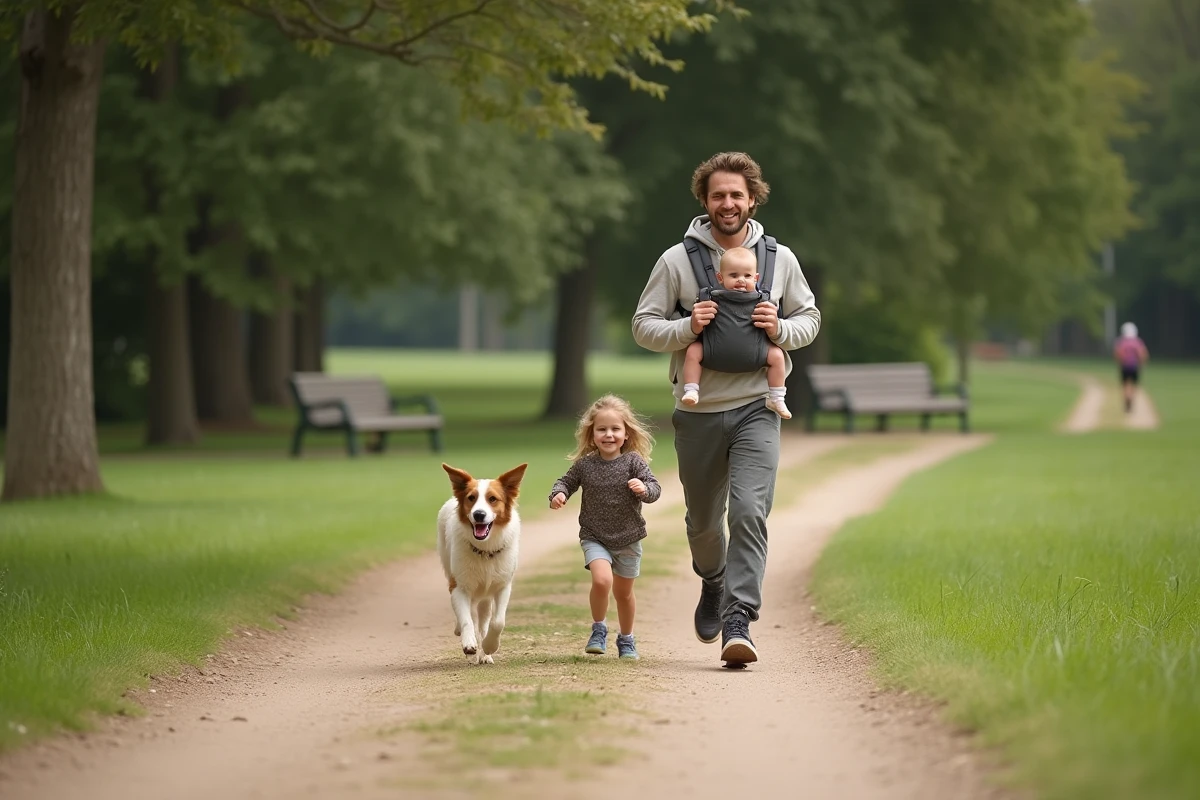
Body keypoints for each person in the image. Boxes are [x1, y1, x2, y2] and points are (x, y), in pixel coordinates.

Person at [631, 151, 820, 667]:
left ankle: (739, 619)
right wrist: (687, 327)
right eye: (718, 195)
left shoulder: (780, 260)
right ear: (704, 200)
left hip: (759, 406)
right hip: (697, 410)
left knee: (751, 511)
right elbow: (643, 326)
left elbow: (809, 319)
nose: (728, 203)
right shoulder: (675, 261)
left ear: (753, 198)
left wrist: (779, 329)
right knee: (703, 525)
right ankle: (712, 581)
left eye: (737, 194)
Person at [549, 394, 661, 660]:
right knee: (602, 580)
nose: (608, 434)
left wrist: (644, 489)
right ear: (592, 434)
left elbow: (655, 489)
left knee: (624, 594)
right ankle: (599, 629)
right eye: (602, 429)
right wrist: (558, 494)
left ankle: (627, 639)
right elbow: (565, 481)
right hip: (594, 536)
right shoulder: (586, 465)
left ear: (625, 434)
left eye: (615, 429)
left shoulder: (634, 462)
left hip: (629, 538)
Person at [680, 246, 792, 419]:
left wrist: (776, 325)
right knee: (693, 350)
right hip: (713, 351)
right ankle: (692, 390)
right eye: (733, 275)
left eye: (747, 276)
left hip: (756, 352)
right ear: (720, 277)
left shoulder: (762, 300)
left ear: (756, 278)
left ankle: (776, 397)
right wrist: (694, 323)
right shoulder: (711, 298)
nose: (741, 280)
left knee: (777, 355)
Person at [1113, 321, 1149, 413]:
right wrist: (1141, 364)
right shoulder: (1137, 342)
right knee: (1133, 385)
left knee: (1125, 385)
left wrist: (1120, 362)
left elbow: (1117, 353)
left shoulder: (1121, 342)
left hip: (1124, 366)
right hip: (1134, 366)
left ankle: (1127, 399)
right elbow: (1143, 354)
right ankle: (1131, 398)